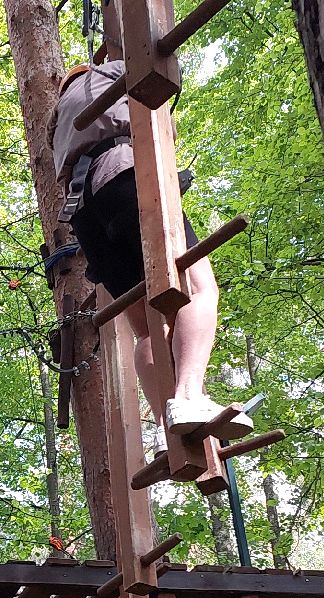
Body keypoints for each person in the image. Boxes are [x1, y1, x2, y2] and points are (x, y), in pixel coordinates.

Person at [52, 60, 249, 441]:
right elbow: (156, 77)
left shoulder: (59, 121)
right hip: (123, 176)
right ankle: (189, 395)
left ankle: (165, 426)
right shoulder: (108, 74)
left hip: (85, 218)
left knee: (147, 331)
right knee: (196, 289)